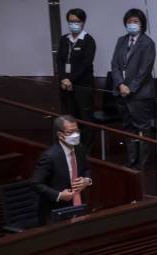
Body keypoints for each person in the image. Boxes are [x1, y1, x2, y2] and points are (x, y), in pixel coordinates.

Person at [111, 8, 156, 170]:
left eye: (135, 21)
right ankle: (131, 160)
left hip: (140, 94)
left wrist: (130, 88)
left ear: (142, 24)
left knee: (142, 128)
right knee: (128, 128)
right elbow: (115, 65)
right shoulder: (121, 40)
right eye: (129, 22)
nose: (132, 24)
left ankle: (142, 163)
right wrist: (120, 84)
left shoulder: (148, 43)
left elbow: (145, 70)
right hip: (121, 92)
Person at [31, 115, 92, 223]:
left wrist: (87, 180)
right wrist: (59, 195)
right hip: (57, 210)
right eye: (71, 132)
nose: (76, 135)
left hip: (79, 204)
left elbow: (86, 169)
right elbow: (36, 183)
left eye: (77, 131)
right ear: (60, 135)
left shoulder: (80, 148)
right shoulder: (50, 156)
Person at [57, 8, 96, 153]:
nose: (74, 24)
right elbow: (60, 61)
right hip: (65, 85)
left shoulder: (88, 40)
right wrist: (63, 78)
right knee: (68, 119)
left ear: (83, 22)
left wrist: (70, 80)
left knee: (84, 119)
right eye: (71, 21)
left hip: (82, 86)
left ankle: (86, 150)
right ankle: (71, 147)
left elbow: (86, 64)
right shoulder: (64, 39)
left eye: (77, 21)